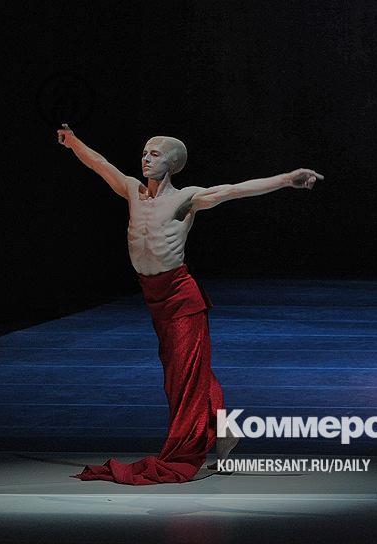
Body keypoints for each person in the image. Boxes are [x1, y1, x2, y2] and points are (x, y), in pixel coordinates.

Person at [57, 124, 322, 484]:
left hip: (182, 298)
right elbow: (100, 163)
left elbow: (235, 190)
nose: (145, 159)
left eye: (154, 154)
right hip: (154, 297)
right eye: (144, 153)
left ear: (172, 163)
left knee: (183, 377)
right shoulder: (132, 190)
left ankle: (189, 446)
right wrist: (73, 142)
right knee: (188, 372)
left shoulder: (186, 198)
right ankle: (226, 431)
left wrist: (287, 179)